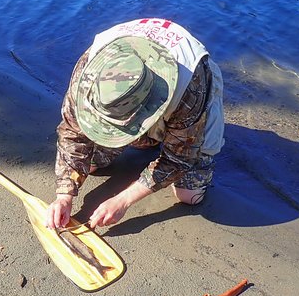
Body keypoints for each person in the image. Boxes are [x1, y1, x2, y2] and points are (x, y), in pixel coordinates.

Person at [45, 18, 224, 230]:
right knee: (88, 166)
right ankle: (151, 138)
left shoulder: (191, 86)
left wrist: (123, 200)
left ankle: (168, 133)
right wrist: (64, 195)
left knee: (189, 195)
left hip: (191, 95)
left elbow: (180, 158)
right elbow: (72, 132)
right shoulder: (89, 72)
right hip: (140, 89)